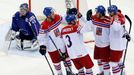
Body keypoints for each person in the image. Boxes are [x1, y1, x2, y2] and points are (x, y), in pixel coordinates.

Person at [38, 7, 73, 75]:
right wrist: (42, 46)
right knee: (56, 62)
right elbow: (41, 37)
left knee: (67, 58)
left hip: (61, 43)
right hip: (52, 46)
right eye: (52, 13)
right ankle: (59, 73)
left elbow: (65, 20)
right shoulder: (44, 25)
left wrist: (67, 14)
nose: (54, 14)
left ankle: (69, 72)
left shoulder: (57, 17)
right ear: (48, 15)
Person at [86, 5, 112, 75]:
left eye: (97, 12)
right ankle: (102, 72)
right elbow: (87, 24)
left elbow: (117, 27)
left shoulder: (108, 20)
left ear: (101, 13)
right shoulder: (94, 18)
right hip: (97, 44)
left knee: (105, 62)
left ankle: (107, 73)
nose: (96, 13)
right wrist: (84, 17)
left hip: (105, 45)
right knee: (99, 60)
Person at [107, 5, 128, 75]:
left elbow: (116, 28)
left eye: (110, 12)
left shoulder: (116, 18)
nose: (109, 13)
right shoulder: (119, 16)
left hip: (116, 46)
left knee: (113, 63)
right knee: (118, 60)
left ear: (114, 12)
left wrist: (112, 21)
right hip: (119, 45)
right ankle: (123, 73)